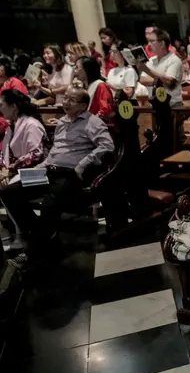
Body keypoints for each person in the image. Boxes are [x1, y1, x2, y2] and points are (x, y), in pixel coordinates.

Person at [1, 87, 114, 268]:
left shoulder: (93, 122)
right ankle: (46, 239)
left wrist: (83, 164)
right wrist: (41, 166)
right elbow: (56, 150)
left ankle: (32, 253)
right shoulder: (63, 121)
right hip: (49, 169)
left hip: (71, 173)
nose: (65, 102)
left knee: (49, 204)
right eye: (65, 98)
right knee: (9, 193)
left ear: (83, 105)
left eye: (71, 100)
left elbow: (107, 146)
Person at [0, 90, 47, 249]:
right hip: (16, 171)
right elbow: (4, 152)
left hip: (38, 172)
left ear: (14, 107)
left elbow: (36, 154)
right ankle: (10, 230)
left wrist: (11, 169)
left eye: (2, 105)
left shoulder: (31, 124)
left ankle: (27, 233)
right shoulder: (11, 126)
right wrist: (3, 169)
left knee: (7, 190)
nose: (1, 109)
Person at [138, 28, 184, 107]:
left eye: (152, 41)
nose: (149, 44)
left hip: (172, 104)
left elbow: (169, 82)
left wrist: (147, 71)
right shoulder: (151, 60)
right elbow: (142, 80)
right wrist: (159, 80)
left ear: (162, 44)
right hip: (155, 103)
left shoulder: (174, 60)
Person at [75, 56, 114, 122]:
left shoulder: (100, 86)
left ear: (87, 69)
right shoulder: (82, 87)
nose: (75, 70)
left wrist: (90, 122)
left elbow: (105, 110)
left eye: (77, 67)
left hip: (95, 127)